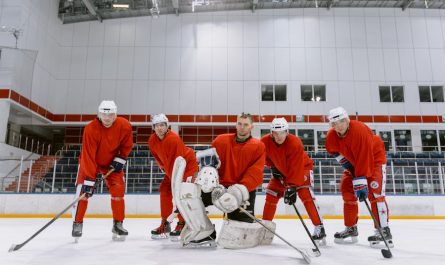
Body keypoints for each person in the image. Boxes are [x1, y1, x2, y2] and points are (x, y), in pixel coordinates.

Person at [172, 112, 268, 248]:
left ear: (252, 126)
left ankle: (249, 223)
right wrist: (207, 175)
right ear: (236, 124)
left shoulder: (258, 146)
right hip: (218, 189)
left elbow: (256, 172)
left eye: (246, 125)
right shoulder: (221, 141)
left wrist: (239, 191)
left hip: (242, 191)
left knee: (238, 233)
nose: (242, 127)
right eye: (239, 124)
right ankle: (206, 232)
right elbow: (211, 163)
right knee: (191, 197)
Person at [325, 106, 393, 247]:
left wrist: (360, 181)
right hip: (354, 162)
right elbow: (334, 151)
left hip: (374, 159)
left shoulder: (360, 130)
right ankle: (351, 228)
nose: (338, 126)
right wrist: (349, 167)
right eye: (334, 124)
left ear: (347, 120)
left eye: (341, 122)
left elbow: (364, 156)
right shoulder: (331, 135)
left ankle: (383, 229)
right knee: (347, 190)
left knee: (375, 194)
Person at [72, 100, 133, 241]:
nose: (107, 118)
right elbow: (88, 155)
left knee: (118, 191)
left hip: (111, 163)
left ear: (115, 114)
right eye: (104, 114)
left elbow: (127, 145)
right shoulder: (91, 129)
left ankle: (118, 223)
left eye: (110, 115)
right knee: (84, 193)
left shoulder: (124, 125)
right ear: (98, 114)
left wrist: (120, 159)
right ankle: (77, 223)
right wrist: (89, 180)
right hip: (90, 162)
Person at [261, 117, 326, 245]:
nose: (279, 136)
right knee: (271, 195)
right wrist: (273, 167)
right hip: (281, 172)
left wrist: (291, 187)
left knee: (305, 195)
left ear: (287, 131)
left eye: (282, 133)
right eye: (275, 133)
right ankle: (265, 227)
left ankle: (319, 227)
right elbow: (263, 157)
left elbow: (296, 167)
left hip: (302, 169)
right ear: (271, 133)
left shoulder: (295, 142)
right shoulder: (265, 141)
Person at [148, 113, 198, 241]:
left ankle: (183, 223)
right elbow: (158, 158)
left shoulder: (172, 139)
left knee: (182, 194)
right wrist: (163, 168)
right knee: (164, 190)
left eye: (162, 125)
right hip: (171, 169)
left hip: (186, 167)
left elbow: (177, 164)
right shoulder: (152, 140)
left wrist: (174, 182)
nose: (160, 128)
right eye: (157, 125)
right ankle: (165, 224)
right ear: (153, 127)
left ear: (167, 126)